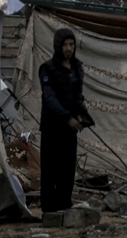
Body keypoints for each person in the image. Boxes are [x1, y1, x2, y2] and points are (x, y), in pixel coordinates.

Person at [39, 28, 91, 214]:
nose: (69, 48)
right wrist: (67, 118)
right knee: (50, 168)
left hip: (69, 129)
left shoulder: (76, 68)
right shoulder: (47, 69)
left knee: (67, 169)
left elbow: (77, 96)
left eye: (71, 44)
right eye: (65, 45)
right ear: (58, 46)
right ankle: (49, 210)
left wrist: (83, 117)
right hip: (52, 127)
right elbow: (50, 97)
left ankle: (64, 204)